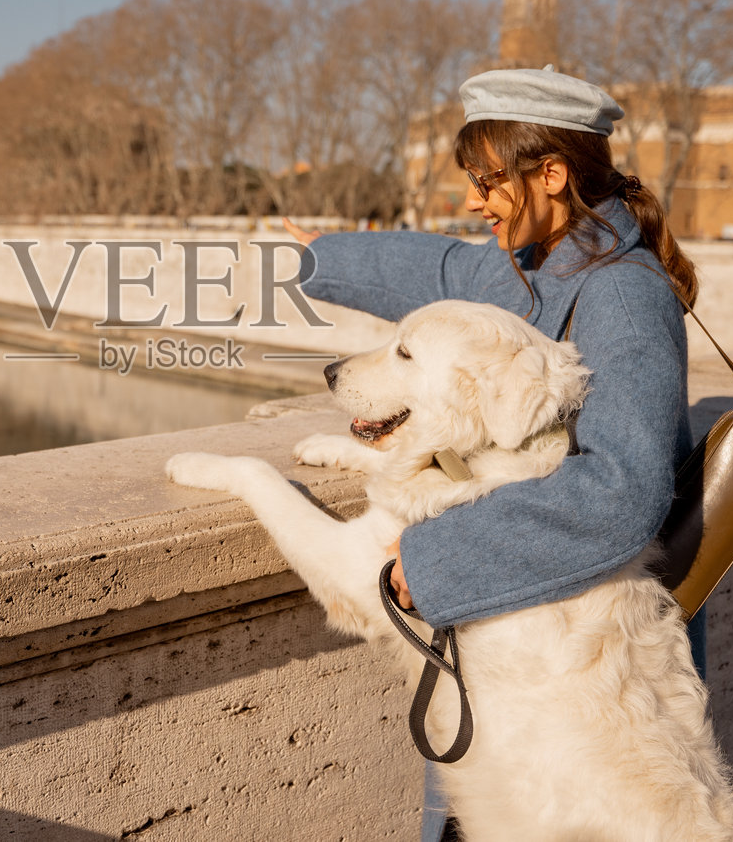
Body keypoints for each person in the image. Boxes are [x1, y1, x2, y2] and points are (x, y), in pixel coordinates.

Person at [284, 65, 702, 840]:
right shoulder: (536, 258)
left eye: (487, 181)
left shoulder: (622, 295)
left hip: (584, 684)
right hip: (531, 644)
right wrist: (322, 257)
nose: (474, 200)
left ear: (552, 174)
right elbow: (441, 268)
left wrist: (439, 557)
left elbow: (621, 488)